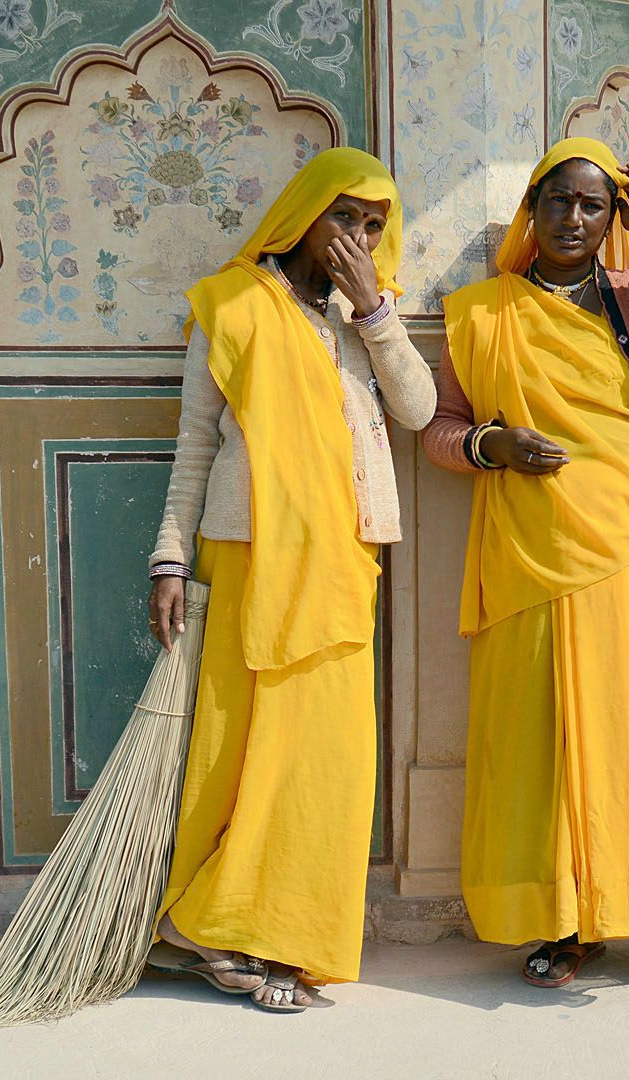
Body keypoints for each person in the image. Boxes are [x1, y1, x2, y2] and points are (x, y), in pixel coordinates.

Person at [420, 138, 629, 996]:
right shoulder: (482, 313)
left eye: (593, 206)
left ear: (610, 219)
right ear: (533, 208)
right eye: (557, 200)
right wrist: (493, 444)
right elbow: (440, 429)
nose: (573, 218)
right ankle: (565, 920)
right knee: (540, 738)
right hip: (532, 548)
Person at [144, 147, 436, 1012]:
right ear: (301, 216)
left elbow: (419, 410)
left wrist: (378, 309)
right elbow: (195, 446)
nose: (358, 236)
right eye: (344, 217)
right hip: (251, 557)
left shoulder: (359, 324)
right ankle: (223, 934)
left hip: (344, 563)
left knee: (326, 764)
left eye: (374, 224)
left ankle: (276, 933)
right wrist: (168, 557)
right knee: (252, 754)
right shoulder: (231, 306)